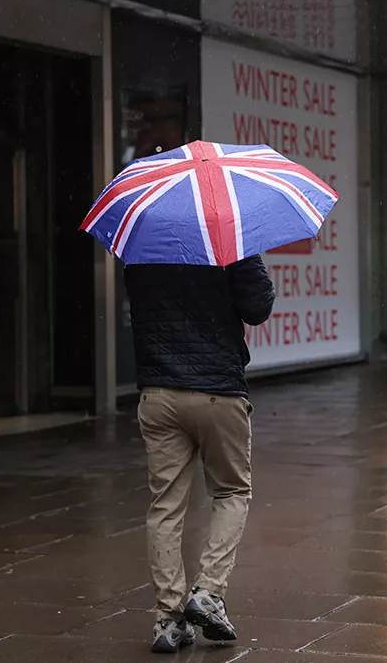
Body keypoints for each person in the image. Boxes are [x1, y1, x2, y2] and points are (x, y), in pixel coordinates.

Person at [125, 254, 275, 653]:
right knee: (230, 493)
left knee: (166, 506)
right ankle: (208, 592)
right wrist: (246, 257)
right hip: (217, 391)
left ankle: (168, 618)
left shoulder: (143, 242)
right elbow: (258, 308)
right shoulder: (227, 241)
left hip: (158, 392)